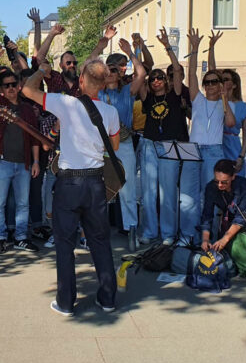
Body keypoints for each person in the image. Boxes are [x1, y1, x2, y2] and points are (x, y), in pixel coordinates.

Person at [21, 56, 120, 316]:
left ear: (83, 80)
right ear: (103, 82)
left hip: (69, 182)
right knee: (100, 240)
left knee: (65, 243)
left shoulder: (66, 103)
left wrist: (41, 72)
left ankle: (65, 302)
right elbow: (115, 146)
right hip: (96, 183)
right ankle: (108, 298)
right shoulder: (111, 112)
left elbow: (27, 90)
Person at [138, 27, 199, 245]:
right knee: (148, 193)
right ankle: (150, 231)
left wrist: (167, 47)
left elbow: (176, 69)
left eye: (160, 78)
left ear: (166, 80)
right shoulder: (146, 97)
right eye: (153, 78)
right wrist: (136, 50)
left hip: (169, 145)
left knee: (167, 193)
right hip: (149, 145)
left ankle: (167, 233)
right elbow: (141, 73)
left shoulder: (175, 95)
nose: (156, 81)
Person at [0, 44, 42, 253]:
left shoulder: (26, 109)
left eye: (13, 84)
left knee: (23, 204)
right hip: (1, 162)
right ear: (1, 88)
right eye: (6, 85)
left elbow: (34, 137)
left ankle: (21, 237)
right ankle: (0, 238)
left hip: (23, 163)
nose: (11, 88)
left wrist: (35, 161)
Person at [99, 35, 147, 251]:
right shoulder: (97, 92)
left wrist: (130, 52)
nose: (111, 72)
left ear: (119, 74)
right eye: (107, 69)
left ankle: (131, 228)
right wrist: (101, 45)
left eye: (115, 70)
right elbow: (84, 70)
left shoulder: (127, 92)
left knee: (126, 187)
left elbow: (142, 74)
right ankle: (98, 229)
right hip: (100, 145)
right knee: (101, 187)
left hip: (124, 143)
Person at [187, 31, 232, 218]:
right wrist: (195, 48)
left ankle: (208, 234)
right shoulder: (197, 99)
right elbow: (191, 74)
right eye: (207, 82)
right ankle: (190, 235)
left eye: (214, 82)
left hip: (213, 151)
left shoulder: (223, 103)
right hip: (193, 149)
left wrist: (223, 96)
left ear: (221, 85)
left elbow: (230, 122)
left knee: (209, 194)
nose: (210, 85)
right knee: (189, 197)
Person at [199, 159, 246, 254]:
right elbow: (207, 215)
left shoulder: (243, 186)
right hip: (229, 221)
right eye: (216, 181)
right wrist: (205, 240)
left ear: (233, 177)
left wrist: (225, 239)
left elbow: (241, 218)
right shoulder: (211, 187)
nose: (219, 185)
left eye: (224, 182)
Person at [220, 69, 246, 172]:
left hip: (233, 145)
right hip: (218, 145)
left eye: (226, 79)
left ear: (234, 85)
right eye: (221, 79)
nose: (222, 82)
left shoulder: (243, 107)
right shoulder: (216, 103)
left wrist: (241, 157)